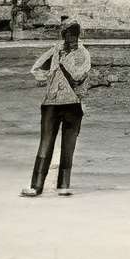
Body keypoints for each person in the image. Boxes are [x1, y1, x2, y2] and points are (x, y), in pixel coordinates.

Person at [24, 20, 96, 197]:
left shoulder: (83, 53)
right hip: (51, 103)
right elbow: (36, 67)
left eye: (73, 35)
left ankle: (63, 185)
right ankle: (36, 185)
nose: (70, 38)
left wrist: (64, 62)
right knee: (45, 144)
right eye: (66, 35)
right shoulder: (56, 50)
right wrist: (48, 76)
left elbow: (79, 76)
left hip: (73, 103)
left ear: (78, 36)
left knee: (68, 146)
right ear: (63, 36)